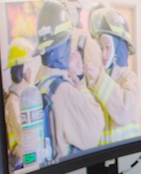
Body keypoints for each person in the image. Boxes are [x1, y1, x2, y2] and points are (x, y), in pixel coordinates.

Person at [34, 0, 104, 159]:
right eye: (68, 41)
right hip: (68, 173)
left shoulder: (39, 85)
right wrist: (80, 84)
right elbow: (96, 125)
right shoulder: (64, 90)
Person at [84, 7, 140, 144]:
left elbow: (124, 112)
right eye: (101, 47)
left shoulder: (129, 78)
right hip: (104, 155)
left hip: (127, 155)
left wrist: (99, 79)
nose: (103, 54)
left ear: (118, 48)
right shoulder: (99, 82)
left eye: (108, 47)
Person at [3, 37, 36, 170]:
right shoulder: (13, 101)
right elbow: (24, 137)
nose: (30, 72)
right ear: (22, 71)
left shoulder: (22, 97)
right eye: (28, 68)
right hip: (22, 163)